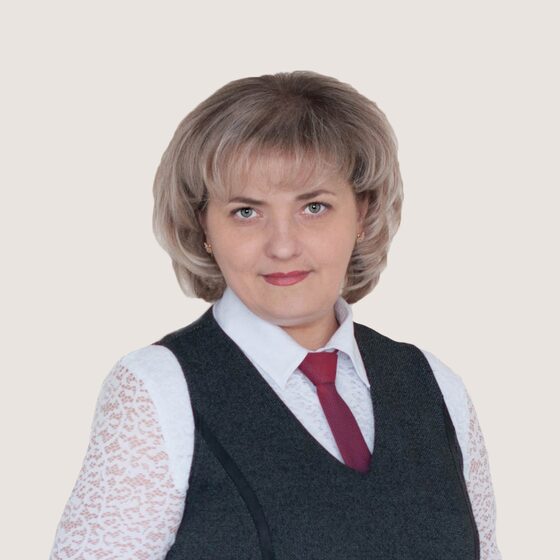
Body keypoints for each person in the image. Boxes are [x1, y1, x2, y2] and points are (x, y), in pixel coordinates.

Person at [50, 71, 501, 559]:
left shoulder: (434, 386)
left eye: (314, 207)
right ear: (204, 227)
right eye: (246, 212)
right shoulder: (157, 392)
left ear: (363, 214)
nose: (283, 246)